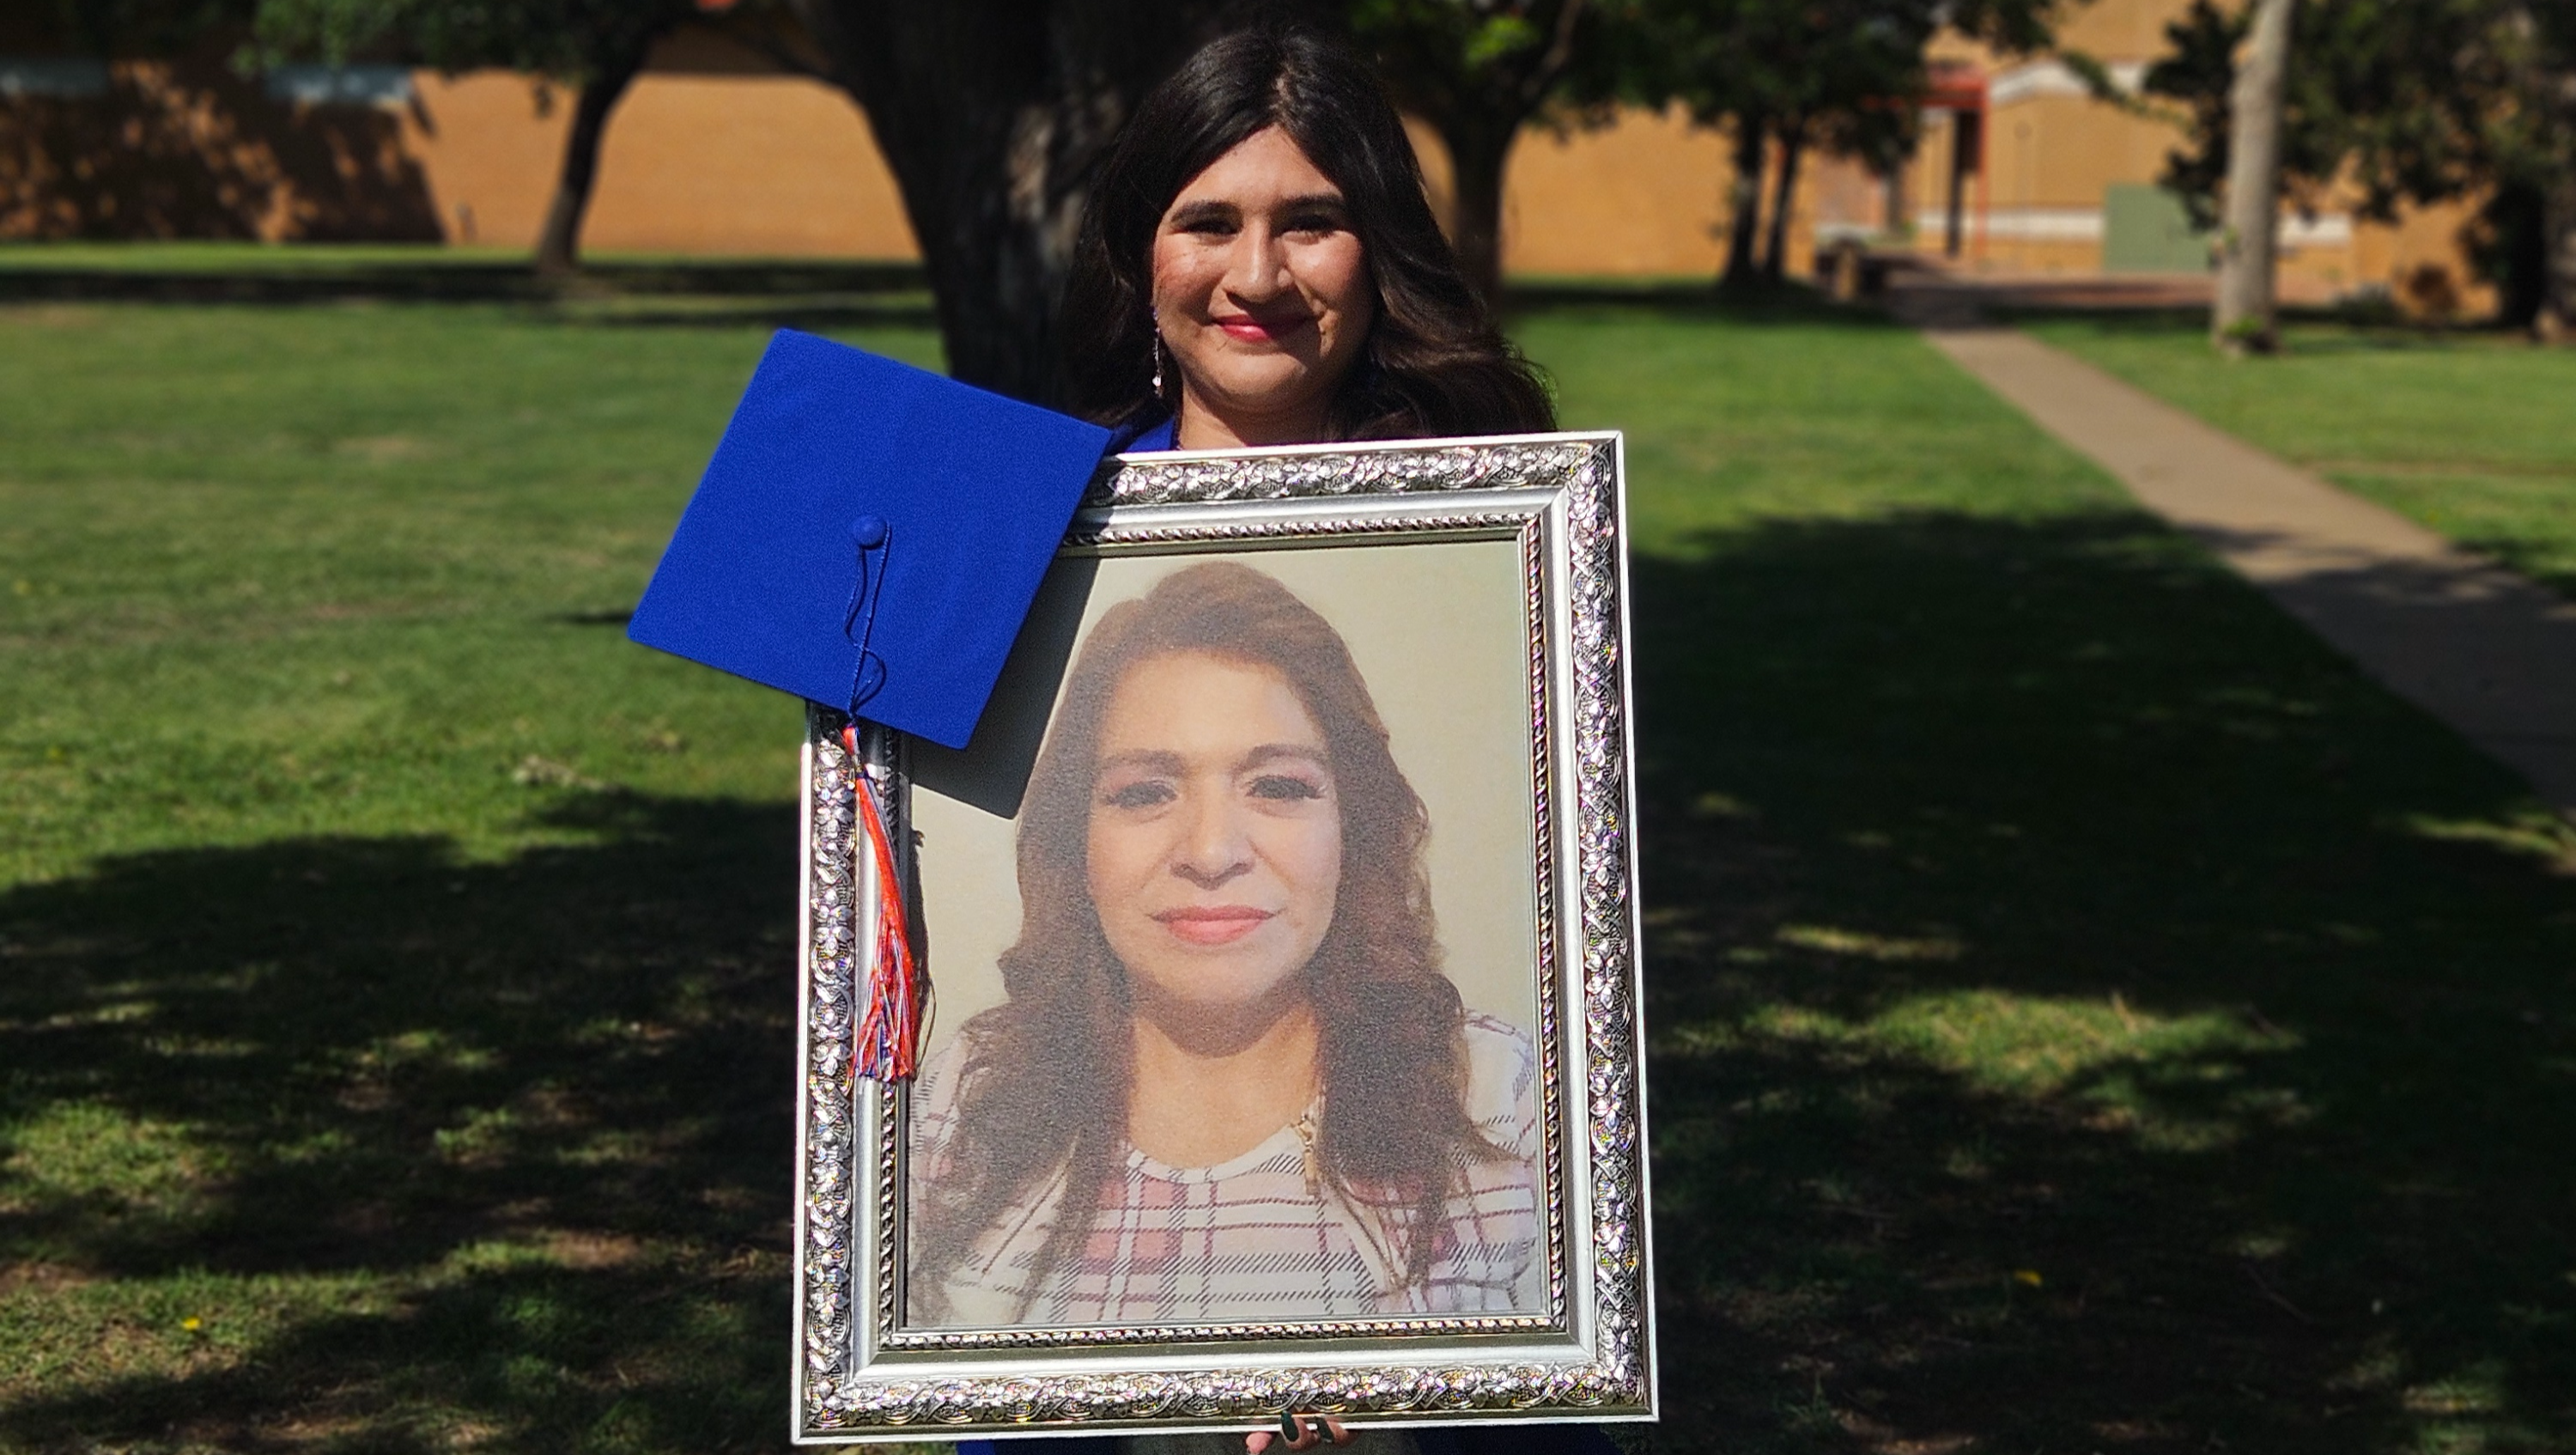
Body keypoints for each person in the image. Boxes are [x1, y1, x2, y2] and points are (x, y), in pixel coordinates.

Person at [947, 24, 1610, 1455]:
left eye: (1311, 221)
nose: (1255, 275)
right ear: (1142, 256)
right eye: (1208, 223)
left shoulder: (1505, 535)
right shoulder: (1009, 539)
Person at [909, 561, 1540, 1328]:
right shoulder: (964, 1098)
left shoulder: (1502, 1098)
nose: (1211, 853)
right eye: (1145, 793)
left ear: (1353, 827)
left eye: (1277, 787)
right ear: (1075, 842)